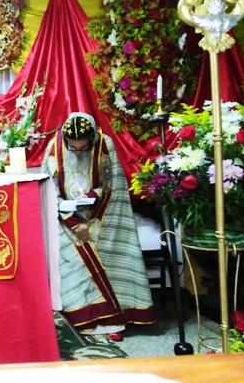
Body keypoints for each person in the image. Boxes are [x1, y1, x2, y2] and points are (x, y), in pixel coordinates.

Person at [42, 113, 156, 336]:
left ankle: (114, 322)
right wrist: (73, 221)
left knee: (107, 257)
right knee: (72, 262)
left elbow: (112, 184)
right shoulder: (54, 148)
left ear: (91, 139)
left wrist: (91, 199)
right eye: (73, 148)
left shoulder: (105, 145)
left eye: (82, 147)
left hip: (101, 214)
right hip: (65, 219)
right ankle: (80, 319)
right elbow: (49, 191)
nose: (77, 152)